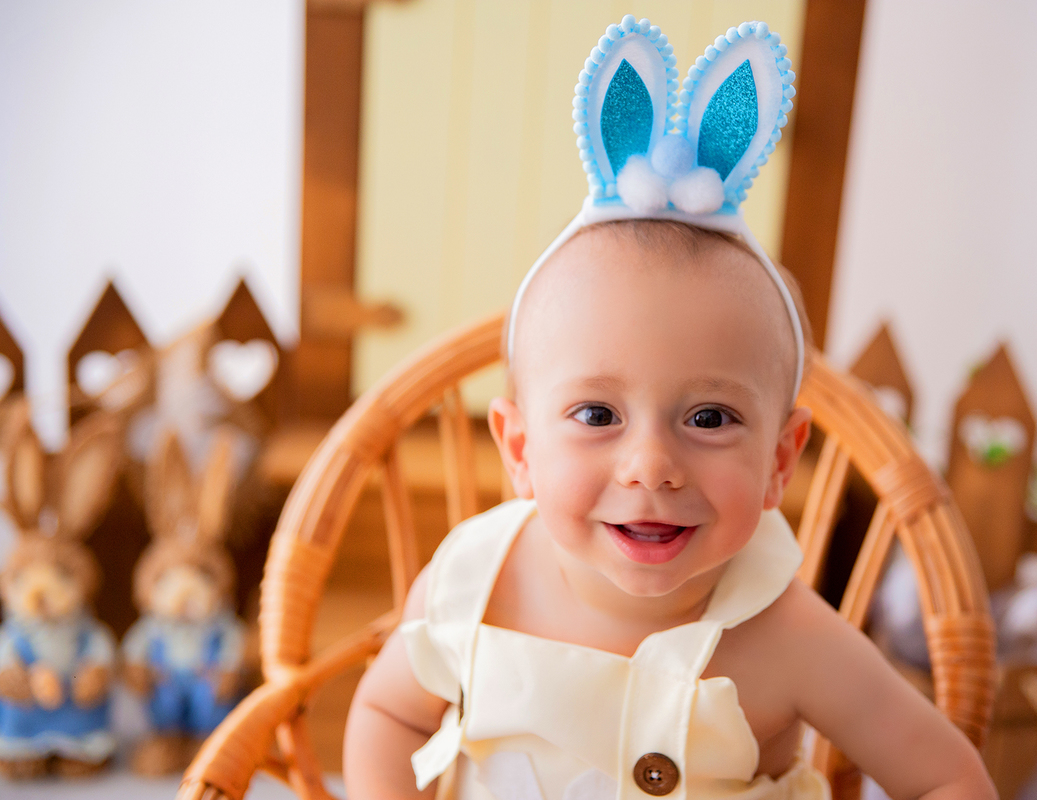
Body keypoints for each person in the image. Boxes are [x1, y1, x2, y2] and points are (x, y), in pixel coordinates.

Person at [344, 17, 997, 800]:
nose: (651, 465)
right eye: (595, 414)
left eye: (710, 419)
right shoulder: (472, 583)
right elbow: (389, 714)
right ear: (518, 450)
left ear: (780, 461)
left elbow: (948, 778)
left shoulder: (791, 637)